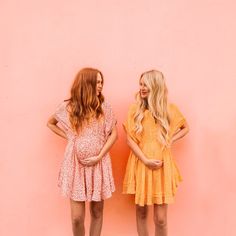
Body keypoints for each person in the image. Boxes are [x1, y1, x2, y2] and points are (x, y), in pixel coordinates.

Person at [47, 68, 117, 236]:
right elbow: (51, 123)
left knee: (97, 212)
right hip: (75, 166)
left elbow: (114, 134)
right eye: (97, 82)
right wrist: (70, 137)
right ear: (87, 83)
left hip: (98, 164)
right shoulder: (69, 107)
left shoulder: (104, 107)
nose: (100, 86)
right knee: (77, 218)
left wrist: (99, 156)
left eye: (102, 82)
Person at [123, 70, 189, 236]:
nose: (142, 88)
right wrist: (145, 160)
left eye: (145, 84)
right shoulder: (134, 110)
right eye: (141, 84)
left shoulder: (169, 109)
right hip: (141, 163)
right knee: (141, 213)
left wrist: (170, 140)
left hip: (162, 167)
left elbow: (185, 127)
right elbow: (130, 140)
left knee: (161, 219)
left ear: (155, 86)